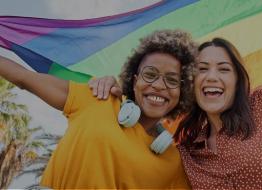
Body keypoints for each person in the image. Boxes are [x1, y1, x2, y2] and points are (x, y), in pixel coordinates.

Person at [93, 0, 262, 189]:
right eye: (202, 69)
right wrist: (116, 91)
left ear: (238, 80)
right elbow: (127, 142)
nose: (211, 76)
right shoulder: (187, 150)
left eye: (223, 69)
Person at [0, 29, 197, 189]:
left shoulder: (174, 162)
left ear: (181, 91)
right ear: (134, 80)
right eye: (150, 74)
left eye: (172, 80)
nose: (160, 85)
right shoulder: (97, 98)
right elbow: (22, 77)